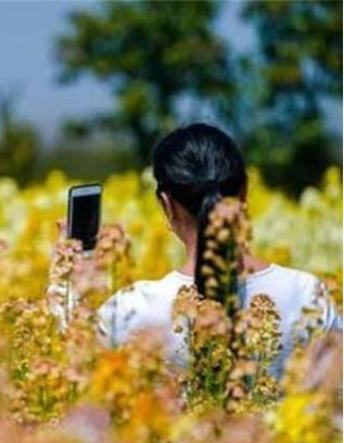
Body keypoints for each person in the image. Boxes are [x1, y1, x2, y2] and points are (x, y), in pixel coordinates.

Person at [57, 123, 341, 362]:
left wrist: (67, 277)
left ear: (167, 205)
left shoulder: (131, 309)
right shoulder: (308, 295)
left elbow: (70, 362)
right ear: (244, 191)